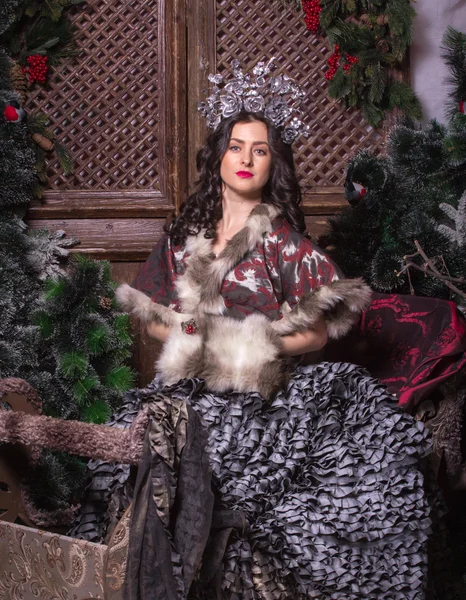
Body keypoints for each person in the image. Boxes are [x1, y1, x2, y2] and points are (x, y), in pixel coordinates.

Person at [71, 69, 432, 599]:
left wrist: (249, 349)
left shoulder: (283, 244)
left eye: (259, 150)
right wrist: (189, 333)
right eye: (236, 147)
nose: (245, 159)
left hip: (261, 396)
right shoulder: (181, 239)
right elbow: (151, 320)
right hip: (185, 388)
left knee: (276, 488)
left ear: (272, 163)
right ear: (218, 155)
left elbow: (316, 336)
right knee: (131, 461)